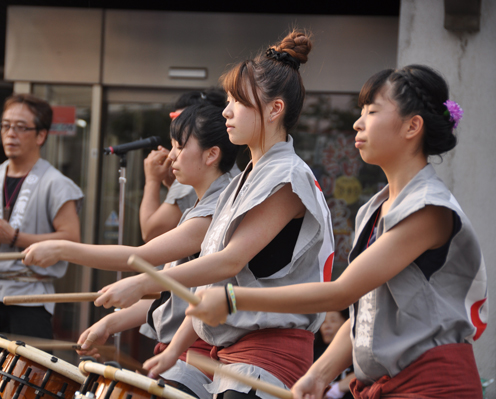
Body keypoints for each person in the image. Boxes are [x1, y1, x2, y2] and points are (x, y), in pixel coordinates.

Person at [186, 65, 487, 398]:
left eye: (372, 111)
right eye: (360, 111)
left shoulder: (428, 210)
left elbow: (341, 293)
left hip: (435, 387)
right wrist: (319, 374)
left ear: (412, 126)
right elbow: (366, 313)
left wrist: (233, 298)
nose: (358, 122)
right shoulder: (377, 207)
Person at [95, 29, 334, 399]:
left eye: (237, 101)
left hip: (267, 357)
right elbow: (215, 283)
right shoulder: (247, 178)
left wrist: (143, 282)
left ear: (275, 109)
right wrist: (176, 348)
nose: (226, 111)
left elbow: (228, 262)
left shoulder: (287, 176)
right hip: (230, 355)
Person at [24, 102, 238, 399]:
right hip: (183, 351)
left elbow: (141, 257)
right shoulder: (203, 205)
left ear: (212, 154)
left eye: (179, 146)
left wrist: (63, 249)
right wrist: (109, 323)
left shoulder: (215, 210)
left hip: (197, 354)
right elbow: (166, 294)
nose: (171, 155)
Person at [0, 93, 84, 345]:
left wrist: (14, 238)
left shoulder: (57, 184)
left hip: (28, 294)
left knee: (25, 380)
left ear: (41, 135)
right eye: (6, 125)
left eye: (21, 127)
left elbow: (70, 239)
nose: (11, 133)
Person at [140, 88, 231, 242]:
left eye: (180, 145)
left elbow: (150, 232)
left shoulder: (206, 208)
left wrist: (152, 180)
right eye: (173, 145)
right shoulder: (227, 176)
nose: (171, 155)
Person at [313, 310, 354, 399]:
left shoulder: (355, 352)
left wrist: (338, 388)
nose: (326, 326)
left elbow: (366, 375)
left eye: (333, 321)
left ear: (346, 323)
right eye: (323, 322)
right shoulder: (315, 354)